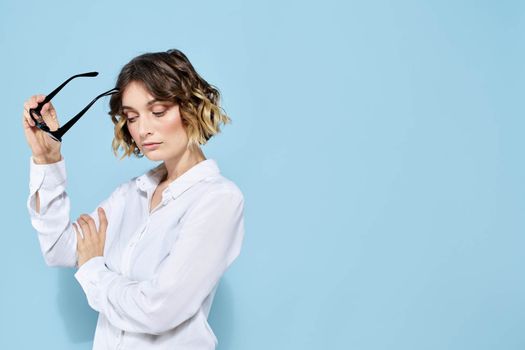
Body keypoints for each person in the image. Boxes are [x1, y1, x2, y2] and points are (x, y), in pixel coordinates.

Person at [22, 49, 245, 350]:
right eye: (132, 117)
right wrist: (47, 159)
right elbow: (58, 249)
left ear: (189, 107)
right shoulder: (130, 195)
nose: (143, 129)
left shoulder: (218, 199)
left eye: (158, 111)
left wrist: (93, 271)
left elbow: (160, 310)